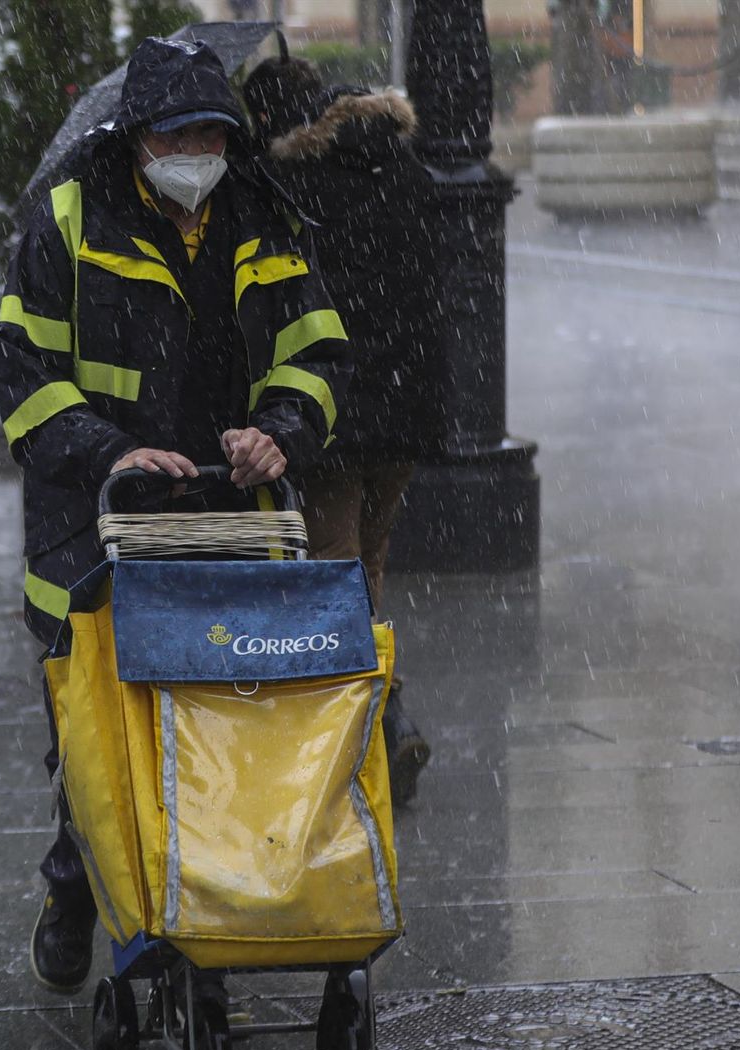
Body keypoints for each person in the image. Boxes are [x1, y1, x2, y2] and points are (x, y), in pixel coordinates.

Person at [0, 37, 352, 994]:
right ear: (138, 140)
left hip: (226, 521)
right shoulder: (70, 222)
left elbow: (316, 351)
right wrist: (112, 452)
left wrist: (279, 429)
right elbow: (25, 380)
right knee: (94, 739)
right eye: (179, 133)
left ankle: (207, 898)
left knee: (214, 728)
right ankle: (75, 884)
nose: (198, 148)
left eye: (212, 131)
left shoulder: (259, 217)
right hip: (92, 531)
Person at [242, 55, 439, 807]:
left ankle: (377, 726)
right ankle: (379, 719)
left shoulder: (293, 185)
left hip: (334, 413)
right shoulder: (404, 163)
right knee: (368, 566)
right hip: (406, 411)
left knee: (332, 575)